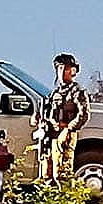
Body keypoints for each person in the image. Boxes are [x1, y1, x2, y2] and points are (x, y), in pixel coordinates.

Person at [37, 52, 91, 183]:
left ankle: (65, 194)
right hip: (50, 135)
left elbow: (84, 114)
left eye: (66, 68)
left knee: (62, 172)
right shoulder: (54, 93)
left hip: (65, 134)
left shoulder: (77, 91)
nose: (62, 72)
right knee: (46, 172)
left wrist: (69, 129)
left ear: (73, 71)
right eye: (60, 68)